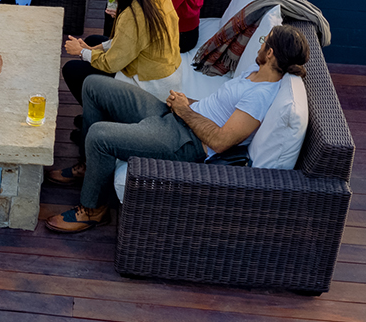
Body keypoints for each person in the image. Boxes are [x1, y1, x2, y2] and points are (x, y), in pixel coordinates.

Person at [45, 24, 309, 234]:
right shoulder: (255, 71)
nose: (261, 44)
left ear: (272, 53)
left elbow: (220, 141)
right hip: (180, 115)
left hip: (184, 142)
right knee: (93, 85)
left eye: (265, 41)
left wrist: (185, 111)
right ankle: (91, 167)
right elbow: (217, 108)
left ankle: (93, 209)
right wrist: (184, 103)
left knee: (99, 135)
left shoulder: (261, 96)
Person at [61, 0, 182, 107]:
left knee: (72, 70)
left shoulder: (133, 15)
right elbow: (130, 41)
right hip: (164, 76)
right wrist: (91, 49)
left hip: (150, 87)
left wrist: (82, 52)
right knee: (93, 40)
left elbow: (112, 64)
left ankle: (101, 111)